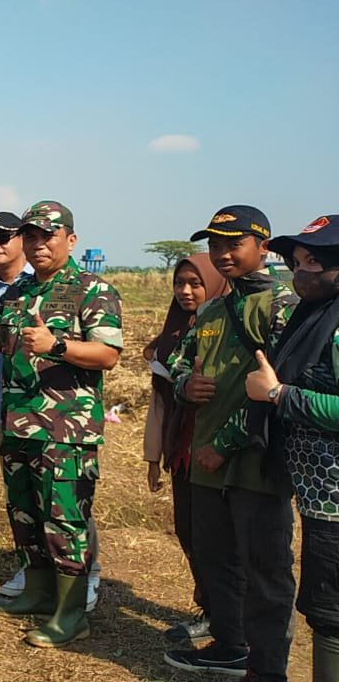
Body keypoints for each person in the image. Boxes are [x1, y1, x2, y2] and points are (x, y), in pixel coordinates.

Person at [0, 200, 122, 648]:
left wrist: (57, 345)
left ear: (70, 240)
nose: (38, 245)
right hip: (19, 424)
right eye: (31, 236)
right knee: (25, 512)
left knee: (65, 519)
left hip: (65, 430)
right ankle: (36, 591)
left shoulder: (93, 289)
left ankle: (71, 613)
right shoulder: (18, 293)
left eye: (47, 236)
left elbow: (109, 355)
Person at [165, 205, 297, 679]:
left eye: (233, 244)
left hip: (256, 462)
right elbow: (178, 363)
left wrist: (223, 443)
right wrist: (186, 386)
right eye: (214, 245)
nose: (221, 254)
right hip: (207, 463)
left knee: (265, 570)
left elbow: (277, 389)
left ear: (263, 247)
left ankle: (268, 666)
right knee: (215, 557)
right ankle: (228, 643)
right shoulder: (214, 309)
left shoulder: (284, 304)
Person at [249, 215, 339, 681]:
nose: (300, 271)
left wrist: (279, 395)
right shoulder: (313, 318)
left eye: (314, 261)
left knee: (331, 615)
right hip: (320, 495)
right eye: (297, 261)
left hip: (336, 497)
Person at [139, 253, 227, 644]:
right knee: (189, 531)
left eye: (195, 282)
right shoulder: (172, 335)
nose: (186, 291)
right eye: (180, 283)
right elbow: (159, 402)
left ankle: (228, 617)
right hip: (182, 449)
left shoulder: (229, 329)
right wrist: (154, 457)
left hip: (219, 450)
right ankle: (211, 608)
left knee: (218, 537)